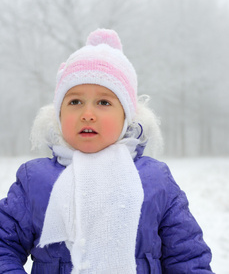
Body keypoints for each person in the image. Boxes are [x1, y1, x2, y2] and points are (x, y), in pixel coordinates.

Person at [0, 29, 214, 274]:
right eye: (74, 102)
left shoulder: (155, 180)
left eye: (104, 102)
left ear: (126, 117)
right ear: (58, 115)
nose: (87, 114)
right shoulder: (34, 180)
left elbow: (187, 257)